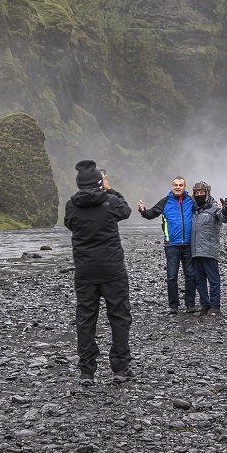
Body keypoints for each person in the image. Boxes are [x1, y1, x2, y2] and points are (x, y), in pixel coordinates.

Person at [63, 161, 135, 386]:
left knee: (85, 318)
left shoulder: (71, 206)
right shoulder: (111, 201)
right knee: (119, 316)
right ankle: (120, 368)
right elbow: (126, 210)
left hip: (85, 271)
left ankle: (87, 372)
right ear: (99, 181)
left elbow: (69, 225)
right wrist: (109, 188)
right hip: (112, 269)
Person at [138, 177, 196, 314]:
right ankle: (173, 305)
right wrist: (142, 210)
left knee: (191, 275)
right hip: (171, 245)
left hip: (188, 244)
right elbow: (151, 214)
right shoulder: (165, 201)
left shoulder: (191, 201)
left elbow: (204, 206)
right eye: (175, 185)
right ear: (172, 186)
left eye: (180, 185)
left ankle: (190, 304)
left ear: (184, 187)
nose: (178, 187)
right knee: (171, 276)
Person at [189, 181, 227, 315]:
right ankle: (205, 304)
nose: (200, 195)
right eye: (197, 193)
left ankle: (215, 305)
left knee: (213, 280)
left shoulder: (214, 208)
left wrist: (226, 210)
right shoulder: (192, 209)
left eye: (202, 193)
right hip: (195, 251)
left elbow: (225, 218)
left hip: (210, 250)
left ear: (207, 193)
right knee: (199, 281)